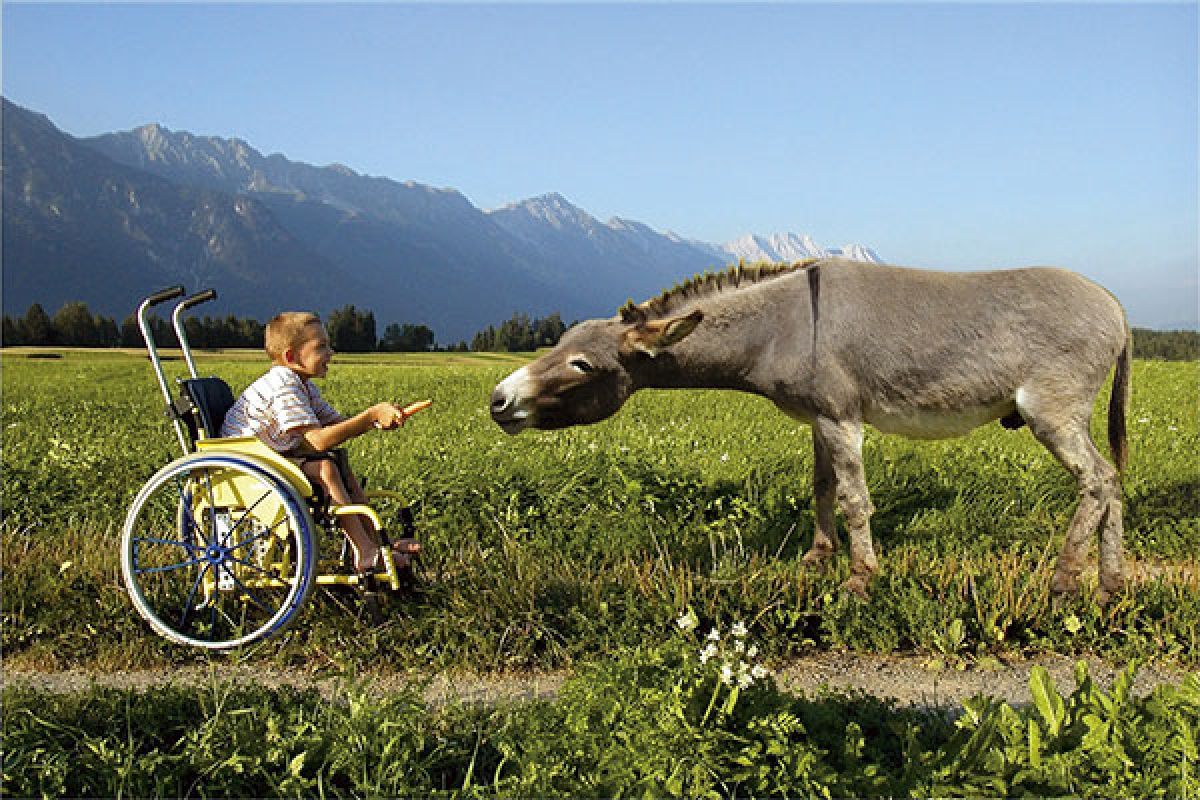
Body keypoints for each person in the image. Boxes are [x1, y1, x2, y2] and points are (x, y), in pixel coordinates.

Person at [220, 311, 421, 574]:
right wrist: (369, 416)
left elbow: (336, 424)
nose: (331, 352)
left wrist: (376, 421)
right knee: (326, 467)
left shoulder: (302, 384)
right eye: (321, 347)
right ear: (292, 357)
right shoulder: (283, 385)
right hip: (250, 467)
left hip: (270, 459)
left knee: (338, 461)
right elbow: (316, 442)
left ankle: (375, 544)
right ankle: (365, 551)